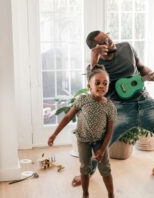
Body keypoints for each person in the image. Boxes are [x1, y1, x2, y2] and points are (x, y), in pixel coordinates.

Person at [71, 30, 154, 186]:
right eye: (104, 42)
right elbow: (95, 90)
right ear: (96, 48)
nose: (110, 41)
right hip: (118, 109)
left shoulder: (126, 47)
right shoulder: (95, 65)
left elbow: (141, 68)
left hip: (145, 102)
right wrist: (94, 59)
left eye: (108, 37)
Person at [48, 65, 117, 198]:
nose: (101, 86)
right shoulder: (83, 100)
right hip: (83, 140)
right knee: (85, 167)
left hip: (100, 141)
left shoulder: (110, 106)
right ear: (89, 86)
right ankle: (85, 193)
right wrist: (54, 134)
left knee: (105, 168)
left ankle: (111, 194)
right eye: (97, 83)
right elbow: (68, 117)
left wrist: (102, 149)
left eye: (105, 83)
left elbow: (110, 131)